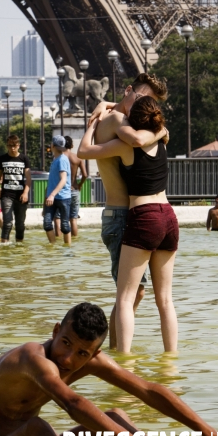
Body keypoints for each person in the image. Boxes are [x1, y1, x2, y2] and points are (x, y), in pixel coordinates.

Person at [0, 302, 218, 436]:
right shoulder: (32, 359)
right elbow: (72, 402)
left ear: (95, 353)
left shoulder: (90, 359)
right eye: (66, 343)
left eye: (82, 353)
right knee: (37, 427)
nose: (69, 359)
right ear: (56, 331)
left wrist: (206, 430)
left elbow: (148, 390)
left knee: (116, 416)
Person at [79, 96, 178, 353]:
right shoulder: (163, 140)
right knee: (165, 300)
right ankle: (172, 359)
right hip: (169, 216)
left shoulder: (126, 147)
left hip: (145, 216)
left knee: (124, 299)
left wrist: (93, 123)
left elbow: (84, 151)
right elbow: (156, 133)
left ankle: (124, 361)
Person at [0, 134, 31, 243]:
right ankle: (4, 244)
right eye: (9, 145)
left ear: (18, 145)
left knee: (20, 224)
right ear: (7, 146)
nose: (12, 148)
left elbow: (28, 178)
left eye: (14, 145)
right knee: (7, 222)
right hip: (7, 194)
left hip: (20, 195)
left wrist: (25, 193)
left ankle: (20, 245)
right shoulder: (3, 158)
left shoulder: (24, 158)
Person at [53, 135, 87, 238]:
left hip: (61, 191)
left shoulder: (59, 158)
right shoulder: (77, 158)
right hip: (74, 190)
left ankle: (58, 240)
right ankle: (74, 241)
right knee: (73, 218)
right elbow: (85, 175)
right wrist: (79, 185)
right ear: (72, 145)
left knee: (57, 217)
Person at [44, 136, 71, 245]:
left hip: (63, 197)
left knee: (64, 225)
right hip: (52, 197)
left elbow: (63, 180)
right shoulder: (55, 159)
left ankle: (68, 248)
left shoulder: (62, 159)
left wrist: (52, 195)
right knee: (47, 224)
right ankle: (53, 247)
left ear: (53, 146)